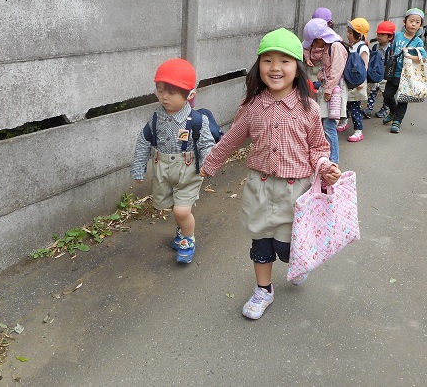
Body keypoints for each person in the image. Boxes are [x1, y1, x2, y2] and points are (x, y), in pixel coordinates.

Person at [200, 28, 341, 320]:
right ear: (258, 66)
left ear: (297, 68)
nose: (275, 68)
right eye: (268, 60)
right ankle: (263, 289)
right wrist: (210, 163)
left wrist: (326, 167)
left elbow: (318, 146)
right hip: (259, 188)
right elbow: (231, 139)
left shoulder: (309, 109)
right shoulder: (252, 107)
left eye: (284, 61)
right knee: (261, 242)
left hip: (296, 192)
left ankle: (298, 262)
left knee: (287, 248)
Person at [131, 58, 216, 264]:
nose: (164, 97)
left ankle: (188, 239)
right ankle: (182, 228)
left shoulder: (196, 121)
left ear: (190, 94)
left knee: (181, 210)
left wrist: (208, 163)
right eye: (160, 91)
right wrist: (138, 169)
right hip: (163, 170)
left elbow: (206, 143)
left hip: (188, 172)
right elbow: (144, 141)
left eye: (171, 92)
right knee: (171, 206)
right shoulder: (155, 118)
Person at [302, 18, 347, 163]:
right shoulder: (327, 46)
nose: (313, 46)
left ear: (320, 39)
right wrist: (307, 56)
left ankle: (333, 161)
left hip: (334, 90)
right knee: (325, 125)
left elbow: (337, 70)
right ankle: (328, 158)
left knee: (329, 126)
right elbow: (312, 54)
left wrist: (328, 91)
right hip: (327, 88)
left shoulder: (336, 47)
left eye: (313, 42)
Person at [382, 9, 427, 134]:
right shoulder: (397, 36)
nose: (413, 24)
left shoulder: (418, 41)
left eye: (417, 22)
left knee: (403, 99)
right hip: (394, 73)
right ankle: (393, 111)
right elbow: (392, 50)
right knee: (387, 95)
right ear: (404, 22)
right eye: (411, 21)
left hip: (407, 75)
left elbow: (423, 58)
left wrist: (410, 57)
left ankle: (397, 121)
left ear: (420, 25)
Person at [337, 18, 370, 142]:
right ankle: (344, 122)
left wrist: (361, 81)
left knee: (354, 106)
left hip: (357, 83)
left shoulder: (362, 48)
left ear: (359, 35)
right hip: (349, 82)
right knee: (345, 102)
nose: (347, 35)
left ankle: (358, 130)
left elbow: (364, 66)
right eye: (348, 32)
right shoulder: (352, 46)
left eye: (350, 33)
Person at [364, 20, 395, 119]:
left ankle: (385, 109)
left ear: (390, 37)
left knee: (386, 93)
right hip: (376, 73)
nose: (379, 36)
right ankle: (369, 109)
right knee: (373, 91)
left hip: (386, 75)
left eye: (382, 34)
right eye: (378, 34)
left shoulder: (391, 49)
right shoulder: (375, 47)